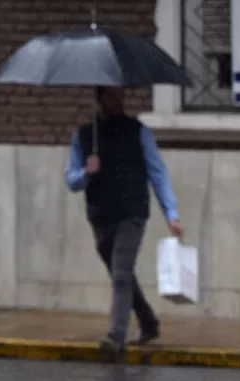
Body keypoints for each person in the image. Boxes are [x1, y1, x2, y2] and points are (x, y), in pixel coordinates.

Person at [65, 86, 183, 361]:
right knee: (123, 274)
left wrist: (171, 213)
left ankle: (115, 337)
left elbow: (157, 171)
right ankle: (148, 322)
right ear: (99, 99)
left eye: (121, 96)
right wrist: (86, 172)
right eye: (111, 96)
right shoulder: (84, 136)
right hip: (100, 215)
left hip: (132, 212)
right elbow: (71, 180)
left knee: (120, 273)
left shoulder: (138, 132)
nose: (118, 101)